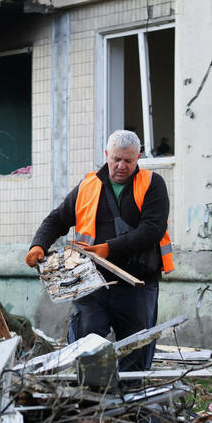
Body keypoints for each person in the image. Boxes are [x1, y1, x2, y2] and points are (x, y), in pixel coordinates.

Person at [25, 130, 174, 371]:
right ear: (106, 154)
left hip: (137, 284)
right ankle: (89, 402)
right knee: (86, 350)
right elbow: (57, 219)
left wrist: (109, 248)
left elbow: (152, 230)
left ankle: (132, 404)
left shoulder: (152, 184)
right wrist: (39, 244)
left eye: (128, 160)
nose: (121, 166)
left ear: (139, 157)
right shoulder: (88, 185)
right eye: (116, 159)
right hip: (91, 284)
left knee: (135, 353)